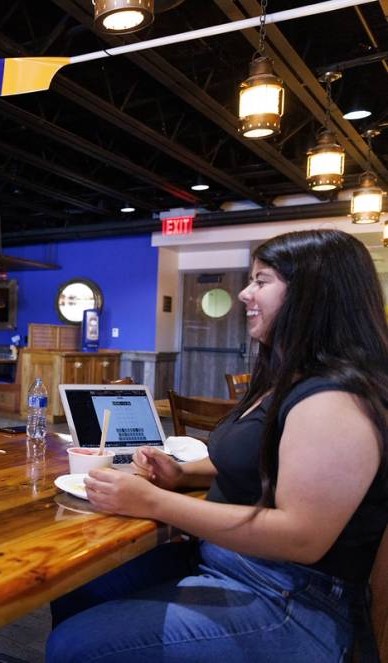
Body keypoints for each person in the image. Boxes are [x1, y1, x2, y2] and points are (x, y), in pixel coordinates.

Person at [46, 229, 388, 662]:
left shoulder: (335, 399)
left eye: (262, 281)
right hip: (232, 563)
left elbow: (302, 537)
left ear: (313, 294)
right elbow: (263, 460)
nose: (245, 293)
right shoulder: (286, 378)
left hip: (293, 599)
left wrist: (155, 502)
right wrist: (182, 472)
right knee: (78, 583)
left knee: (72, 645)